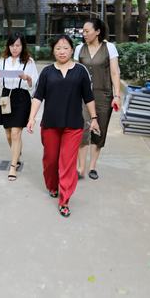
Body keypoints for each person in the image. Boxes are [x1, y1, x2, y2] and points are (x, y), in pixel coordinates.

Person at [26, 35, 99, 218]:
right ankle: (52, 186)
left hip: (73, 125)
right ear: (53, 51)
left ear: (72, 50)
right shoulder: (47, 72)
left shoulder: (80, 71)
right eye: (58, 48)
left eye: (65, 48)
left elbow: (88, 97)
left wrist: (94, 118)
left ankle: (64, 200)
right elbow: (38, 96)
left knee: (67, 163)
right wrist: (31, 118)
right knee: (51, 160)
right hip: (50, 124)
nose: (62, 51)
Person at [74, 18, 121, 180]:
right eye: (83, 31)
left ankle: (92, 166)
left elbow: (115, 72)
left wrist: (116, 95)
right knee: (82, 130)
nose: (84, 34)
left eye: (87, 31)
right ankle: (81, 168)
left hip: (103, 96)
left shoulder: (110, 48)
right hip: (82, 96)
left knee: (99, 131)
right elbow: (74, 73)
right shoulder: (79, 49)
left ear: (98, 32)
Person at [0, 32, 38, 181]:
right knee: (8, 133)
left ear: (23, 46)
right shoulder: (3, 60)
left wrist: (27, 78)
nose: (14, 48)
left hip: (21, 97)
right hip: (6, 96)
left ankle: (13, 165)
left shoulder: (29, 62)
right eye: (12, 45)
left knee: (16, 133)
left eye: (18, 45)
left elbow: (34, 84)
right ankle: (16, 153)